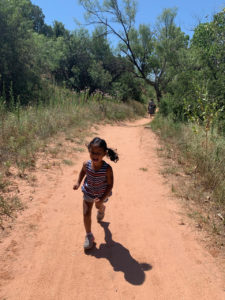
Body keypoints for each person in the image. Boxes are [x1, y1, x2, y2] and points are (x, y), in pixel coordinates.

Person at [73, 137, 119, 250]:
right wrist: (78, 182)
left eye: (98, 153)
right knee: (86, 212)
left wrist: (102, 199)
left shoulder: (107, 169)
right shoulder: (86, 164)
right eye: (93, 152)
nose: (95, 155)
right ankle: (89, 236)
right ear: (89, 152)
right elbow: (83, 172)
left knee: (98, 206)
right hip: (88, 191)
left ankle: (102, 208)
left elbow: (110, 185)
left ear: (104, 154)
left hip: (102, 193)